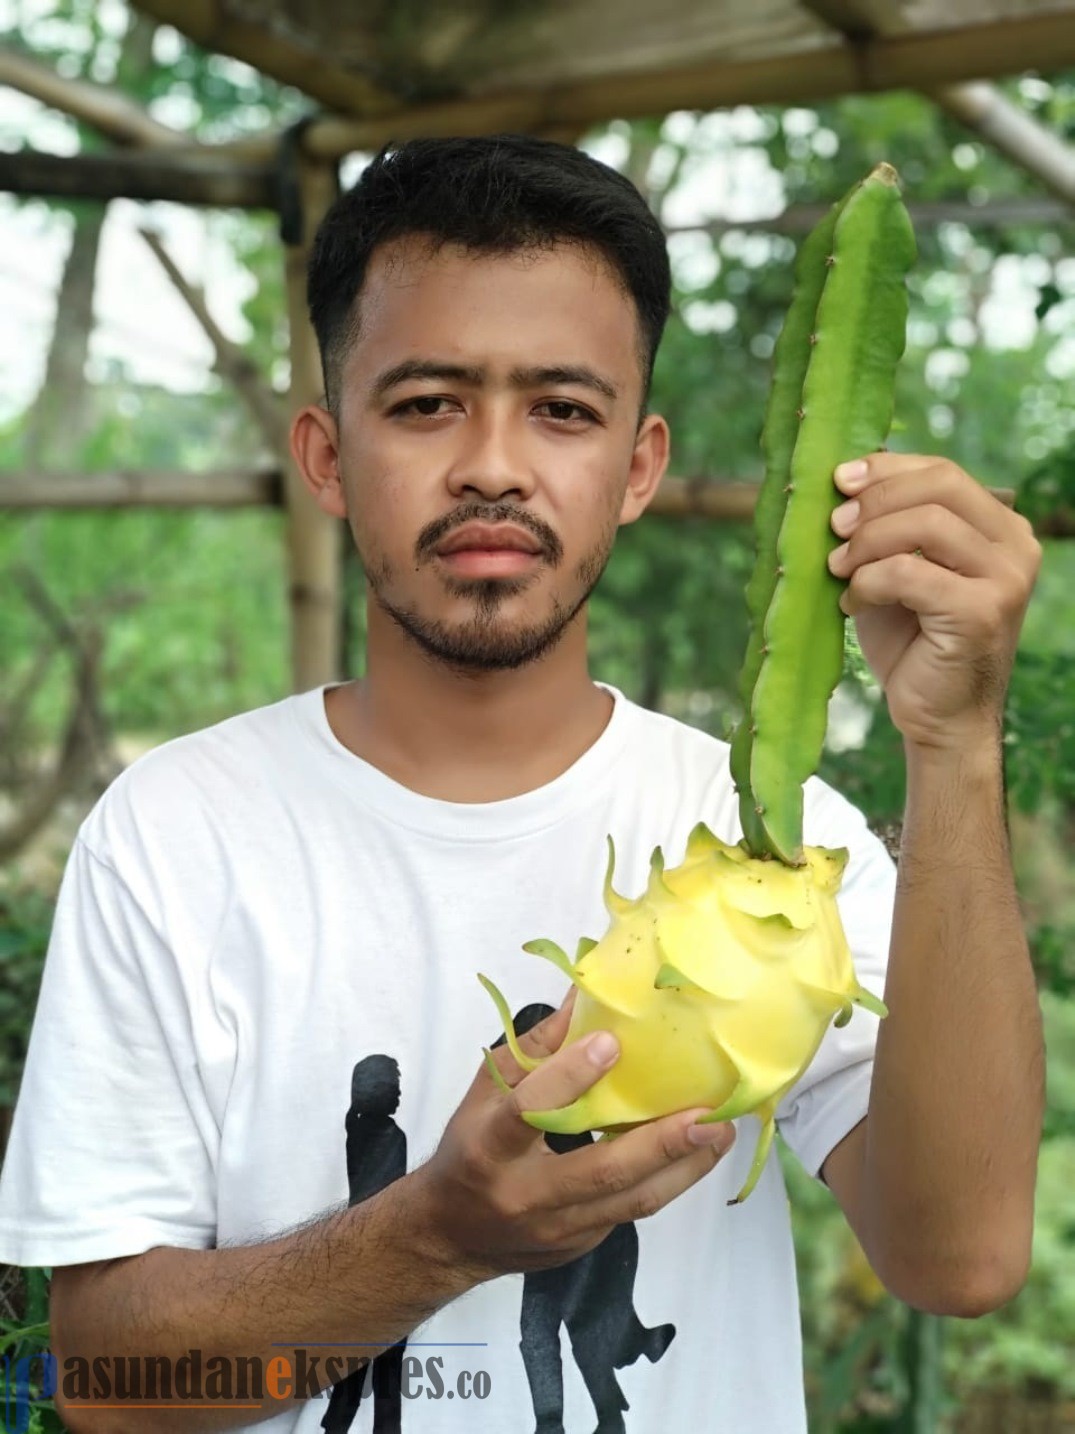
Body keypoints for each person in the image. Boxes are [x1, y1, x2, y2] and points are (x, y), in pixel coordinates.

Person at [0, 135, 1044, 1433]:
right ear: (325, 454)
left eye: (562, 407)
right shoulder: (173, 836)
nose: (494, 463)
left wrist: (954, 748)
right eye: (428, 402)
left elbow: (964, 1259)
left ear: (641, 465)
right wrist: (434, 1234)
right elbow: (104, 1376)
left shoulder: (788, 860)